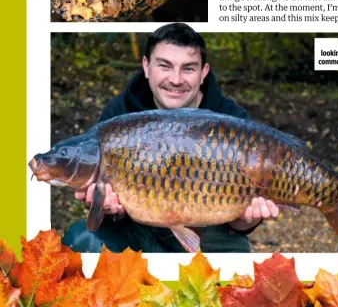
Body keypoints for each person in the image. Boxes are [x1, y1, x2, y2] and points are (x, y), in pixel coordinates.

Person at [62, 23, 279, 253]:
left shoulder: (232, 120)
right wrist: (110, 208)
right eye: (165, 66)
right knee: (82, 241)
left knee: (232, 285)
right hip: (140, 230)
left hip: (214, 231)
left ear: (203, 72)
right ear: (146, 66)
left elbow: (239, 225)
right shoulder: (119, 114)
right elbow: (105, 210)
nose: (175, 80)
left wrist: (248, 217)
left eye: (188, 68)